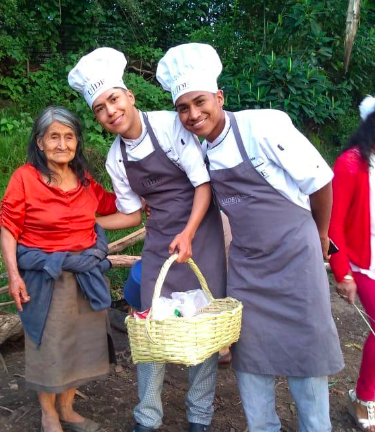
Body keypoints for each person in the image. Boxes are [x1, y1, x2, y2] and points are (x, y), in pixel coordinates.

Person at [156, 43, 344, 432]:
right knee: (251, 363)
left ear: (219, 97)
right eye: (183, 109)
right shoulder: (199, 149)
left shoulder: (263, 126)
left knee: (307, 362)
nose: (193, 114)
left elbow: (321, 181)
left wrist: (321, 235)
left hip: (296, 259)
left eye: (200, 102)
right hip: (247, 268)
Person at [68, 47, 227, 432]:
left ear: (129, 97)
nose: (110, 111)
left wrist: (188, 233)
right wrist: (81, 217)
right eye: (100, 109)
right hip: (159, 246)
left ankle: (200, 418)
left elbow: (203, 185)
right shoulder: (115, 158)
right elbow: (131, 214)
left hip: (200, 238)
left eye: (114, 99)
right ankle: (147, 418)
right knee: (150, 330)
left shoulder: (171, 125)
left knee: (201, 331)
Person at [0, 106, 128, 432]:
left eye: (69, 137)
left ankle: (68, 409)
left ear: (76, 143)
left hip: (84, 274)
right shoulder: (24, 178)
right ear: (40, 142)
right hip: (46, 277)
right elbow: (9, 227)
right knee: (49, 345)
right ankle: (49, 414)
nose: (62, 144)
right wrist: (14, 276)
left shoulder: (84, 180)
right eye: (54, 136)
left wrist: (152, 195)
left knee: (82, 345)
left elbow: (117, 207)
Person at [329, 95, 375, 431]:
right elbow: (333, 225)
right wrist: (342, 272)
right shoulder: (350, 164)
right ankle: (363, 399)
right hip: (364, 263)